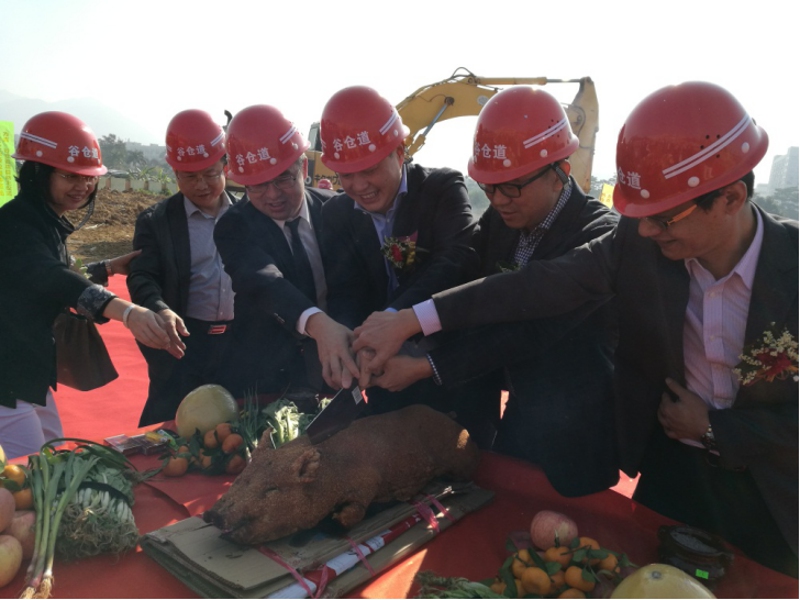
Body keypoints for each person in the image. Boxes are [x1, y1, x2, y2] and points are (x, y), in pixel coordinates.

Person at [353, 82, 798, 576]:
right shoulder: (639, 243)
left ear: (731, 198)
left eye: (665, 218)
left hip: (774, 493)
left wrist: (715, 429)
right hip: (674, 472)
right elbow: (542, 285)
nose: (647, 230)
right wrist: (412, 319)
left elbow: (540, 330)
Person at [364, 86, 620, 494]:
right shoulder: (503, 220)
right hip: (519, 420)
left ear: (560, 171)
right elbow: (462, 271)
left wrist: (425, 361)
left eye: (512, 186)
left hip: (576, 436)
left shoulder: (600, 235)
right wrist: (398, 324)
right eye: (489, 186)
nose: (499, 200)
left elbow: (530, 327)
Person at [0, 111, 173, 458]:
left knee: (53, 457)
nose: (82, 186)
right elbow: (50, 276)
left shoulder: (44, 220)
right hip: (7, 379)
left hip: (28, 371)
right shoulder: (14, 224)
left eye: (88, 178)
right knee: (32, 474)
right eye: (69, 176)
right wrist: (127, 312)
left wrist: (105, 268)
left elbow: (44, 276)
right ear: (37, 173)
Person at [319, 85, 478, 414]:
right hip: (382, 377)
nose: (359, 186)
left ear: (400, 153)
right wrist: (352, 340)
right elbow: (346, 288)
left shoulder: (441, 190)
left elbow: (454, 262)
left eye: (370, 170)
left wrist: (392, 321)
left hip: (450, 372)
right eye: (346, 175)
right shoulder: (335, 214)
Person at [214, 104, 358, 397]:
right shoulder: (234, 225)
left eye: (283, 179)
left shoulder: (337, 210)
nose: (273, 195)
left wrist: (344, 334)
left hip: (339, 363)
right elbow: (264, 282)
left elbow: (351, 283)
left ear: (303, 168)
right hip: (266, 374)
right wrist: (319, 326)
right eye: (257, 186)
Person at [127, 109, 239, 426]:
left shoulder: (247, 216)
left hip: (238, 341)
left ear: (225, 166)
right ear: (175, 173)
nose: (201, 185)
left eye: (210, 174)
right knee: (169, 423)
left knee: (234, 427)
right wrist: (159, 308)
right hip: (185, 341)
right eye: (189, 177)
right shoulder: (157, 221)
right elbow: (142, 275)